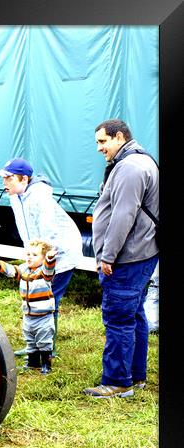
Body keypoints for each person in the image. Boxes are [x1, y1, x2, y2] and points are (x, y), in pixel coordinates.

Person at [83, 119, 159, 399]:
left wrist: (107, 256)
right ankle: (135, 376)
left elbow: (123, 216)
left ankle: (117, 381)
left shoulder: (129, 167)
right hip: (139, 254)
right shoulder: (139, 161)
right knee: (134, 315)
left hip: (127, 258)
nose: (100, 148)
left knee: (118, 319)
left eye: (103, 141)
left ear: (119, 137)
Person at [0, 158, 82, 358]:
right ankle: (35, 346)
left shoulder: (40, 197)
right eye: (3, 178)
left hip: (61, 252)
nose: (4, 183)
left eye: (9, 178)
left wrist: (42, 260)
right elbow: (26, 230)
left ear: (24, 179)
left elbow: (49, 234)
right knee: (33, 295)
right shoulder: (16, 197)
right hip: (40, 253)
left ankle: (47, 350)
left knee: (48, 299)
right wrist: (30, 256)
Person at [0, 240, 57, 374]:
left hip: (43, 316)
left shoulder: (44, 273)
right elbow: (11, 270)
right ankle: (33, 363)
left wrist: (50, 258)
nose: (29, 257)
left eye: (34, 255)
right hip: (28, 315)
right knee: (30, 338)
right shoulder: (23, 269)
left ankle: (46, 364)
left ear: (43, 258)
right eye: (28, 254)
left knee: (44, 339)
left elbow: (49, 268)